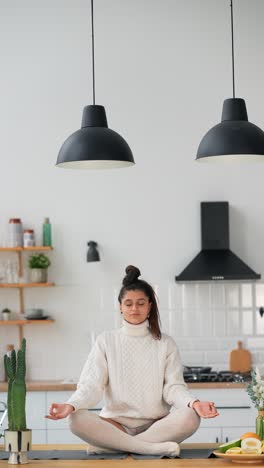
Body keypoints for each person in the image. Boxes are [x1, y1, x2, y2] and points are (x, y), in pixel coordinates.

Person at [46, 265, 219, 457]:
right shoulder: (106, 340)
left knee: (190, 416)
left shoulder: (166, 343)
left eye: (141, 303)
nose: (134, 308)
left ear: (150, 306)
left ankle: (113, 446)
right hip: (115, 425)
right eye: (128, 303)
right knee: (75, 418)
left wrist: (193, 403)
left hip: (157, 426)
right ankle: (149, 448)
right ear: (120, 307)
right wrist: (71, 405)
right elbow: (91, 385)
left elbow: (173, 388)